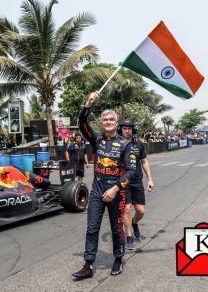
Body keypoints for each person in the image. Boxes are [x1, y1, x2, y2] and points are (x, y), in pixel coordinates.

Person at [72, 91, 136, 280]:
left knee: (117, 229)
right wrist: (88, 103)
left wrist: (115, 188)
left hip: (116, 192)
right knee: (92, 229)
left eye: (111, 120)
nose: (108, 122)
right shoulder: (96, 139)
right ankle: (88, 265)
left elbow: (131, 172)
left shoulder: (125, 145)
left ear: (117, 124)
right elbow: (81, 124)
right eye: (105, 120)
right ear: (101, 123)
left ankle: (118, 258)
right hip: (97, 191)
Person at [119, 119, 155, 250]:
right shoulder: (116, 143)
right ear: (120, 130)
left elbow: (144, 162)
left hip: (137, 182)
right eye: (124, 128)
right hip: (123, 182)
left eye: (129, 128)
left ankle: (134, 223)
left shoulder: (138, 144)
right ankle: (129, 237)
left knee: (140, 211)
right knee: (126, 209)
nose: (127, 131)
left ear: (132, 130)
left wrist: (150, 179)